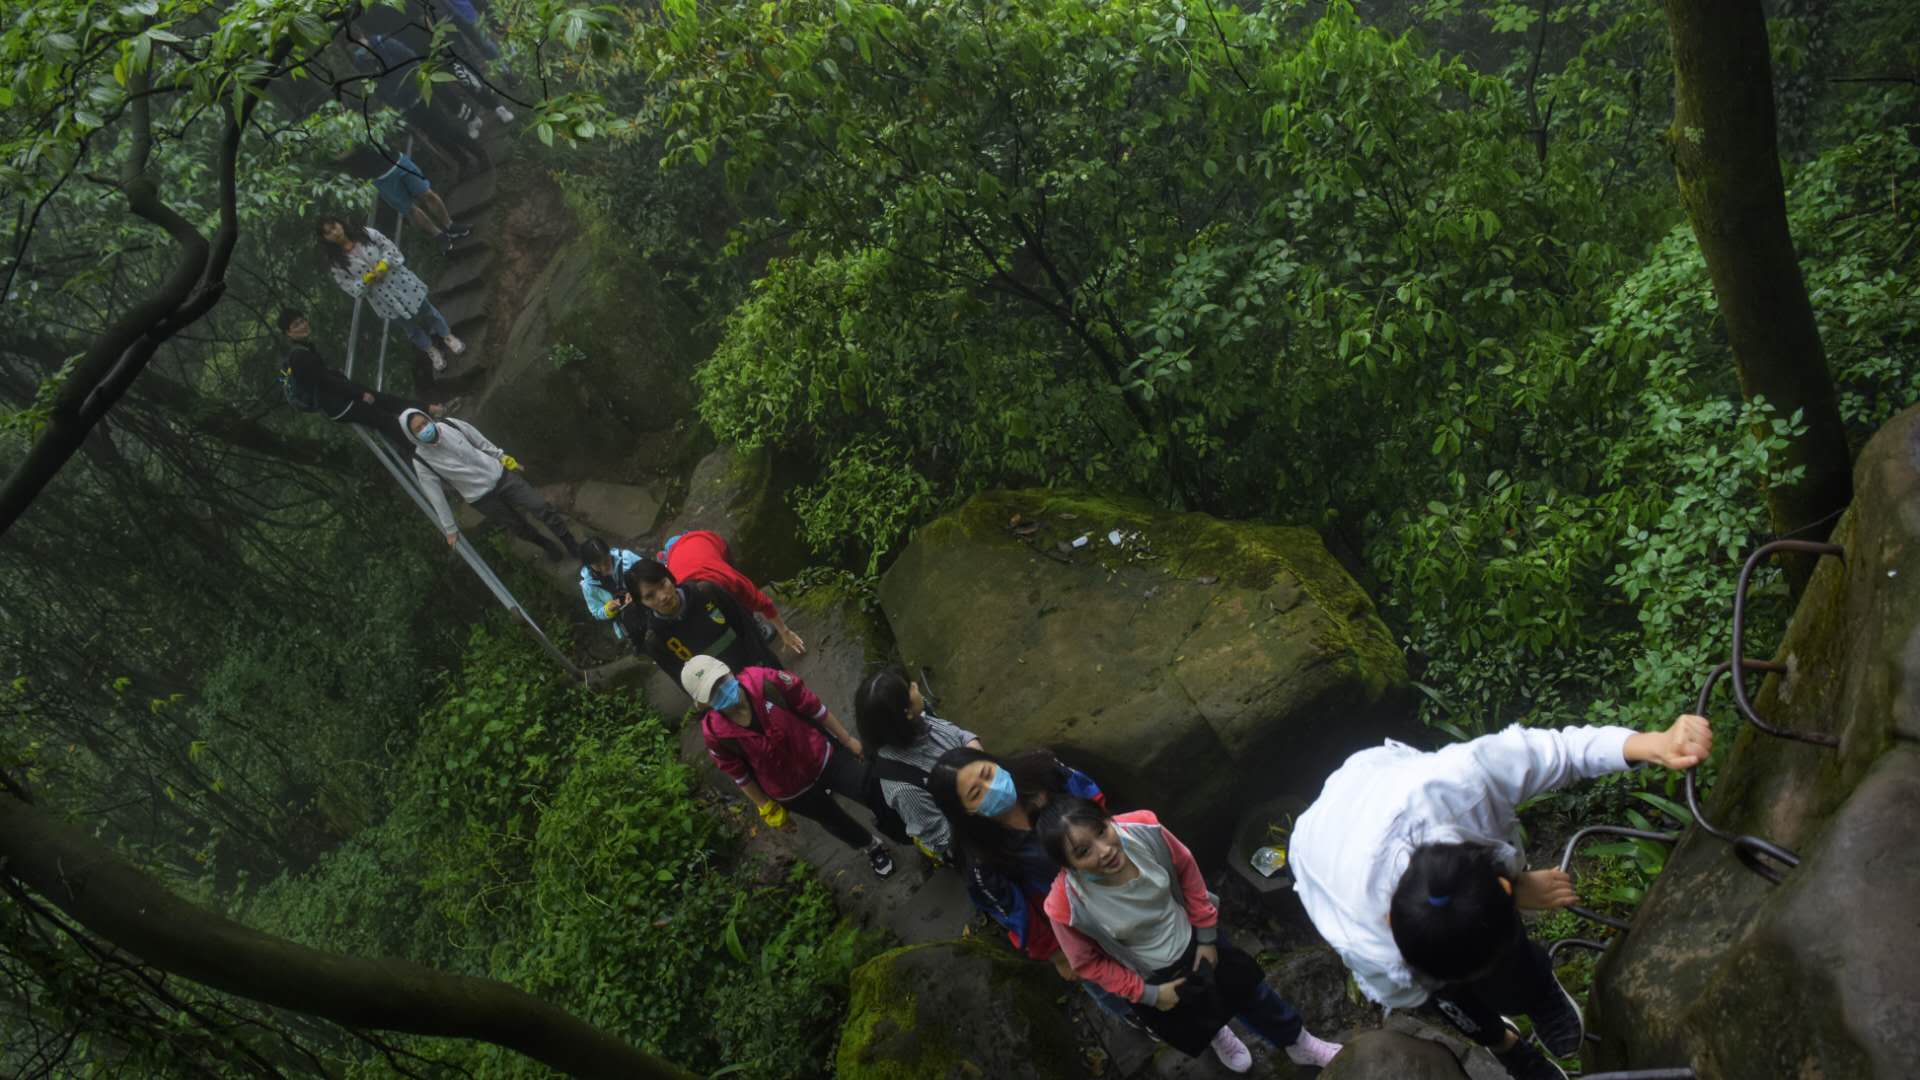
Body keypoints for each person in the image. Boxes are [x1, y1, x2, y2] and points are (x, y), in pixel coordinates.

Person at [1286, 715, 1714, 1080]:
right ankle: (1508, 1046)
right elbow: (1413, 991)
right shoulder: (1374, 951)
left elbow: (1559, 752)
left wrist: (1653, 743)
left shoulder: (1461, 781)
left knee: (1502, 954)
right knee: (1449, 997)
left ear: (1505, 886)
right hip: (1320, 850)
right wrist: (1509, 899)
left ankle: (1537, 990)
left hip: (1378, 785)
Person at [1036, 797, 1342, 1072]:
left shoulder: (1144, 829)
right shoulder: (1065, 906)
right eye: (1083, 851)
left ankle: (1299, 1043)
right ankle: (1219, 1035)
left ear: (1108, 820)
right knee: (1199, 1016)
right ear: (1068, 866)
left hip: (1194, 936)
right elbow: (1087, 964)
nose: (1104, 851)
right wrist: (1148, 993)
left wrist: (1207, 936)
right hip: (1154, 973)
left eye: (1101, 831)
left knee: (1251, 993)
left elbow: (1186, 869)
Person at [927, 746, 1133, 1020]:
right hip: (1078, 924)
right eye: (976, 793)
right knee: (1111, 984)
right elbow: (1016, 914)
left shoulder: (1047, 773)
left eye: (988, 774)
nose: (991, 788)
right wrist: (1058, 954)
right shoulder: (981, 860)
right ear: (966, 812)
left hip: (1119, 878)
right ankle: (1139, 1018)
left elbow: (1093, 800)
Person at [682, 655, 895, 878]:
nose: (722, 690)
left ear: (728, 671)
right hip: (791, 790)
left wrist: (847, 740)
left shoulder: (766, 682)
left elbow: (813, 707)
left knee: (868, 788)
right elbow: (740, 776)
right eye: (712, 691)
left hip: (820, 757)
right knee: (834, 820)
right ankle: (871, 847)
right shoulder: (717, 735)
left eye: (721, 681)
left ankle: (903, 825)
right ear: (702, 703)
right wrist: (769, 809)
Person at [399, 408, 579, 562]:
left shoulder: (450, 424)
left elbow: (481, 442)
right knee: (519, 528)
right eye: (418, 429)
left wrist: (506, 460)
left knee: (540, 505)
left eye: (424, 423)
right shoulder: (421, 460)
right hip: (481, 498)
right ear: (413, 436)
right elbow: (435, 495)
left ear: (428, 418)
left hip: (500, 476)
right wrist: (450, 529)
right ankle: (546, 545)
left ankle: (570, 542)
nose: (425, 429)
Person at [853, 669, 980, 862]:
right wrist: (977, 800)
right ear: (906, 712)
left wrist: (973, 748)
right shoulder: (904, 789)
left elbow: (956, 734)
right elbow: (941, 839)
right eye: (910, 687)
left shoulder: (918, 719)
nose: (915, 685)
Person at [317, 216, 463, 372]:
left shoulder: (365, 233)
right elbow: (350, 288)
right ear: (325, 239)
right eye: (328, 232)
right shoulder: (336, 263)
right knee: (410, 328)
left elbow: (389, 247)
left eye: (334, 227)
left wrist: (385, 263)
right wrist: (368, 279)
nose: (335, 232)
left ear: (340, 224)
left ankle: (447, 335)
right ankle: (431, 350)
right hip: (383, 299)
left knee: (427, 311)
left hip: (401, 282)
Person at [277, 310, 439, 451]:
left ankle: (431, 409)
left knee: (385, 400)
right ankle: (424, 451)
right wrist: (360, 394)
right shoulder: (300, 356)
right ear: (288, 333)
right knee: (386, 421)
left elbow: (325, 377)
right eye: (296, 325)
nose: (303, 325)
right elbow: (326, 382)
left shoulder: (303, 348)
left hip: (342, 396)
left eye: (302, 320)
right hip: (340, 405)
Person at [620, 557, 782, 688]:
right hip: (732, 697)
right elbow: (689, 684)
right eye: (650, 596)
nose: (662, 596)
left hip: (763, 671)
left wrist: (765, 668)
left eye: (662, 584)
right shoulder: (656, 640)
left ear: (669, 577)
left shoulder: (706, 592)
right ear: (641, 603)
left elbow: (747, 627)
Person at [659, 530, 807, 657]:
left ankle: (753, 624)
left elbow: (759, 599)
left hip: (707, 541)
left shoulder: (726, 577)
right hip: (678, 554)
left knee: (738, 600)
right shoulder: (679, 593)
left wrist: (785, 631)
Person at [335, 146, 472, 254]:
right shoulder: (328, 138)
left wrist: (351, 149)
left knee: (427, 194)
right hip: (380, 178)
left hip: (397, 161)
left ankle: (450, 225)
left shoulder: (353, 118)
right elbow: (337, 158)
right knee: (410, 209)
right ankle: (439, 236)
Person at [577, 537, 644, 640]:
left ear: (610, 552)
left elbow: (648, 571)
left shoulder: (626, 558)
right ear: (589, 565)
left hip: (646, 602)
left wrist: (636, 590)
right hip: (629, 623)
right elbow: (596, 612)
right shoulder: (588, 586)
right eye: (598, 565)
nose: (604, 568)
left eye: (606, 561)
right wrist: (607, 609)